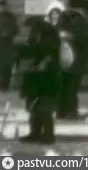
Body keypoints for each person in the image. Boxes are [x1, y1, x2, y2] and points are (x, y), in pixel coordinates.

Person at [18, 13, 61, 144]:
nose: (28, 30)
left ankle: (48, 135)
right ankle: (35, 133)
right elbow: (31, 51)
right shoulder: (36, 35)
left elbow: (49, 54)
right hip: (34, 76)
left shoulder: (49, 35)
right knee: (33, 106)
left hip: (47, 77)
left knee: (44, 106)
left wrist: (41, 65)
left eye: (29, 27)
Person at [57, 0, 88, 120]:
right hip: (76, 56)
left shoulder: (63, 16)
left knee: (64, 84)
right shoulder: (79, 18)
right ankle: (70, 111)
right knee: (71, 85)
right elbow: (84, 39)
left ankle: (61, 111)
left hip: (62, 54)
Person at [0, 0, 19, 91]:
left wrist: (7, 33)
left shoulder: (10, 17)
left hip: (7, 44)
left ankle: (4, 86)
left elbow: (16, 29)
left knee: (6, 66)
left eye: (3, 6)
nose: (1, 8)